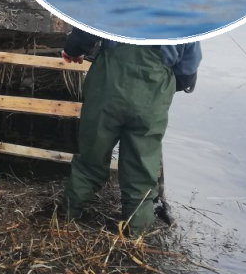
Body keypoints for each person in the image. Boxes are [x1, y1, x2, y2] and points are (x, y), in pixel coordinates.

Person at [60, 27, 201, 236]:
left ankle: (65, 217)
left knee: (91, 156)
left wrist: (72, 50)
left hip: (107, 87)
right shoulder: (186, 14)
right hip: (151, 97)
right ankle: (136, 233)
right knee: (141, 167)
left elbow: (88, 28)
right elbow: (187, 72)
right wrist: (159, 84)